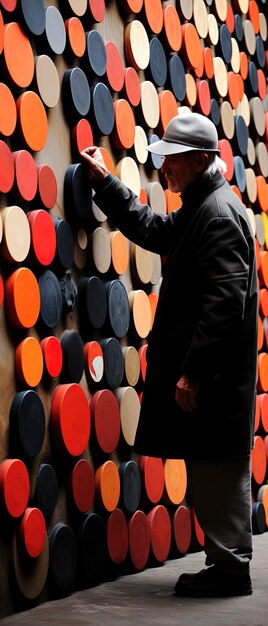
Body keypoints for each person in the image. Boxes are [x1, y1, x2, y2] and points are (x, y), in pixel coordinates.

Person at [81, 112, 258, 598]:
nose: (165, 170)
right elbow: (156, 230)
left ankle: (229, 571)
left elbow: (223, 306)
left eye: (173, 160)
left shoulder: (217, 214)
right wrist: (108, 184)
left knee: (219, 469)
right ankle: (227, 564)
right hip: (218, 383)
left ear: (201, 159)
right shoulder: (207, 204)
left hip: (216, 383)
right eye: (163, 161)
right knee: (213, 465)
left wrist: (194, 374)